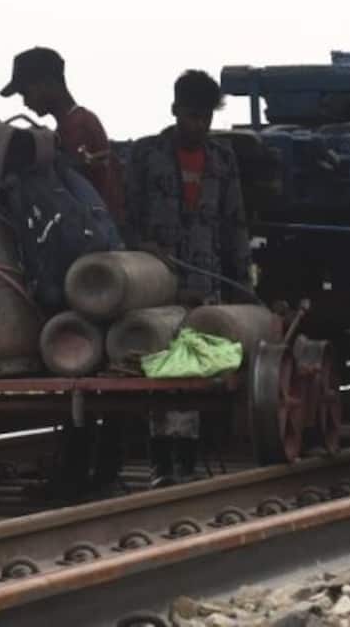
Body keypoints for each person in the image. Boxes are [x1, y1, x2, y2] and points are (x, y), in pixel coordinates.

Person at [124, 69, 254, 485]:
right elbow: (125, 217)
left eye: (205, 118)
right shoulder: (146, 155)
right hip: (159, 285)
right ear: (175, 110)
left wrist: (243, 289)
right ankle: (162, 462)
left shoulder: (223, 160)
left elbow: (234, 224)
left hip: (207, 281)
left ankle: (189, 460)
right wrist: (140, 248)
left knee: (197, 371)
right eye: (191, 116)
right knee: (161, 370)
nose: (198, 125)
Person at [0, 46, 124, 221]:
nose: (25, 102)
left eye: (26, 92)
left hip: (96, 237)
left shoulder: (78, 126)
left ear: (49, 84)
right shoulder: (71, 123)